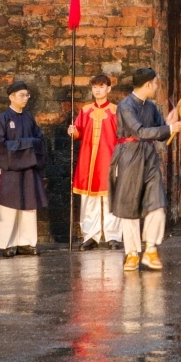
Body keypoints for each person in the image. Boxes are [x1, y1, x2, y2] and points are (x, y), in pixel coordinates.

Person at [111, 68, 181, 271]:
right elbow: (140, 132)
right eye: (155, 83)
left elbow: (160, 132)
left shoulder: (150, 106)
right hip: (129, 156)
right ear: (148, 84)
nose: (157, 86)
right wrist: (169, 128)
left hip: (149, 157)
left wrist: (169, 123)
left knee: (157, 204)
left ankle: (150, 249)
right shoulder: (125, 106)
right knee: (129, 206)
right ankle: (132, 253)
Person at [0, 81, 47, 257]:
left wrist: (23, 146)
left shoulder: (29, 118)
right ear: (11, 97)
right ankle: (6, 243)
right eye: (22, 95)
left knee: (29, 205)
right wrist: (26, 145)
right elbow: (0, 145)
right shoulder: (2, 119)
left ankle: (26, 242)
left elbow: (39, 140)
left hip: (29, 168)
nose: (25, 99)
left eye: (27, 95)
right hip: (11, 169)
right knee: (9, 206)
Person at [69, 74, 122, 250]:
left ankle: (113, 235)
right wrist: (73, 131)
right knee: (89, 199)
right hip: (88, 159)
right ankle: (90, 235)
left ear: (109, 88)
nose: (98, 90)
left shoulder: (116, 111)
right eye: (95, 87)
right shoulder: (85, 111)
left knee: (110, 198)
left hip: (109, 159)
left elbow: (122, 135)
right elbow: (79, 131)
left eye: (101, 86)